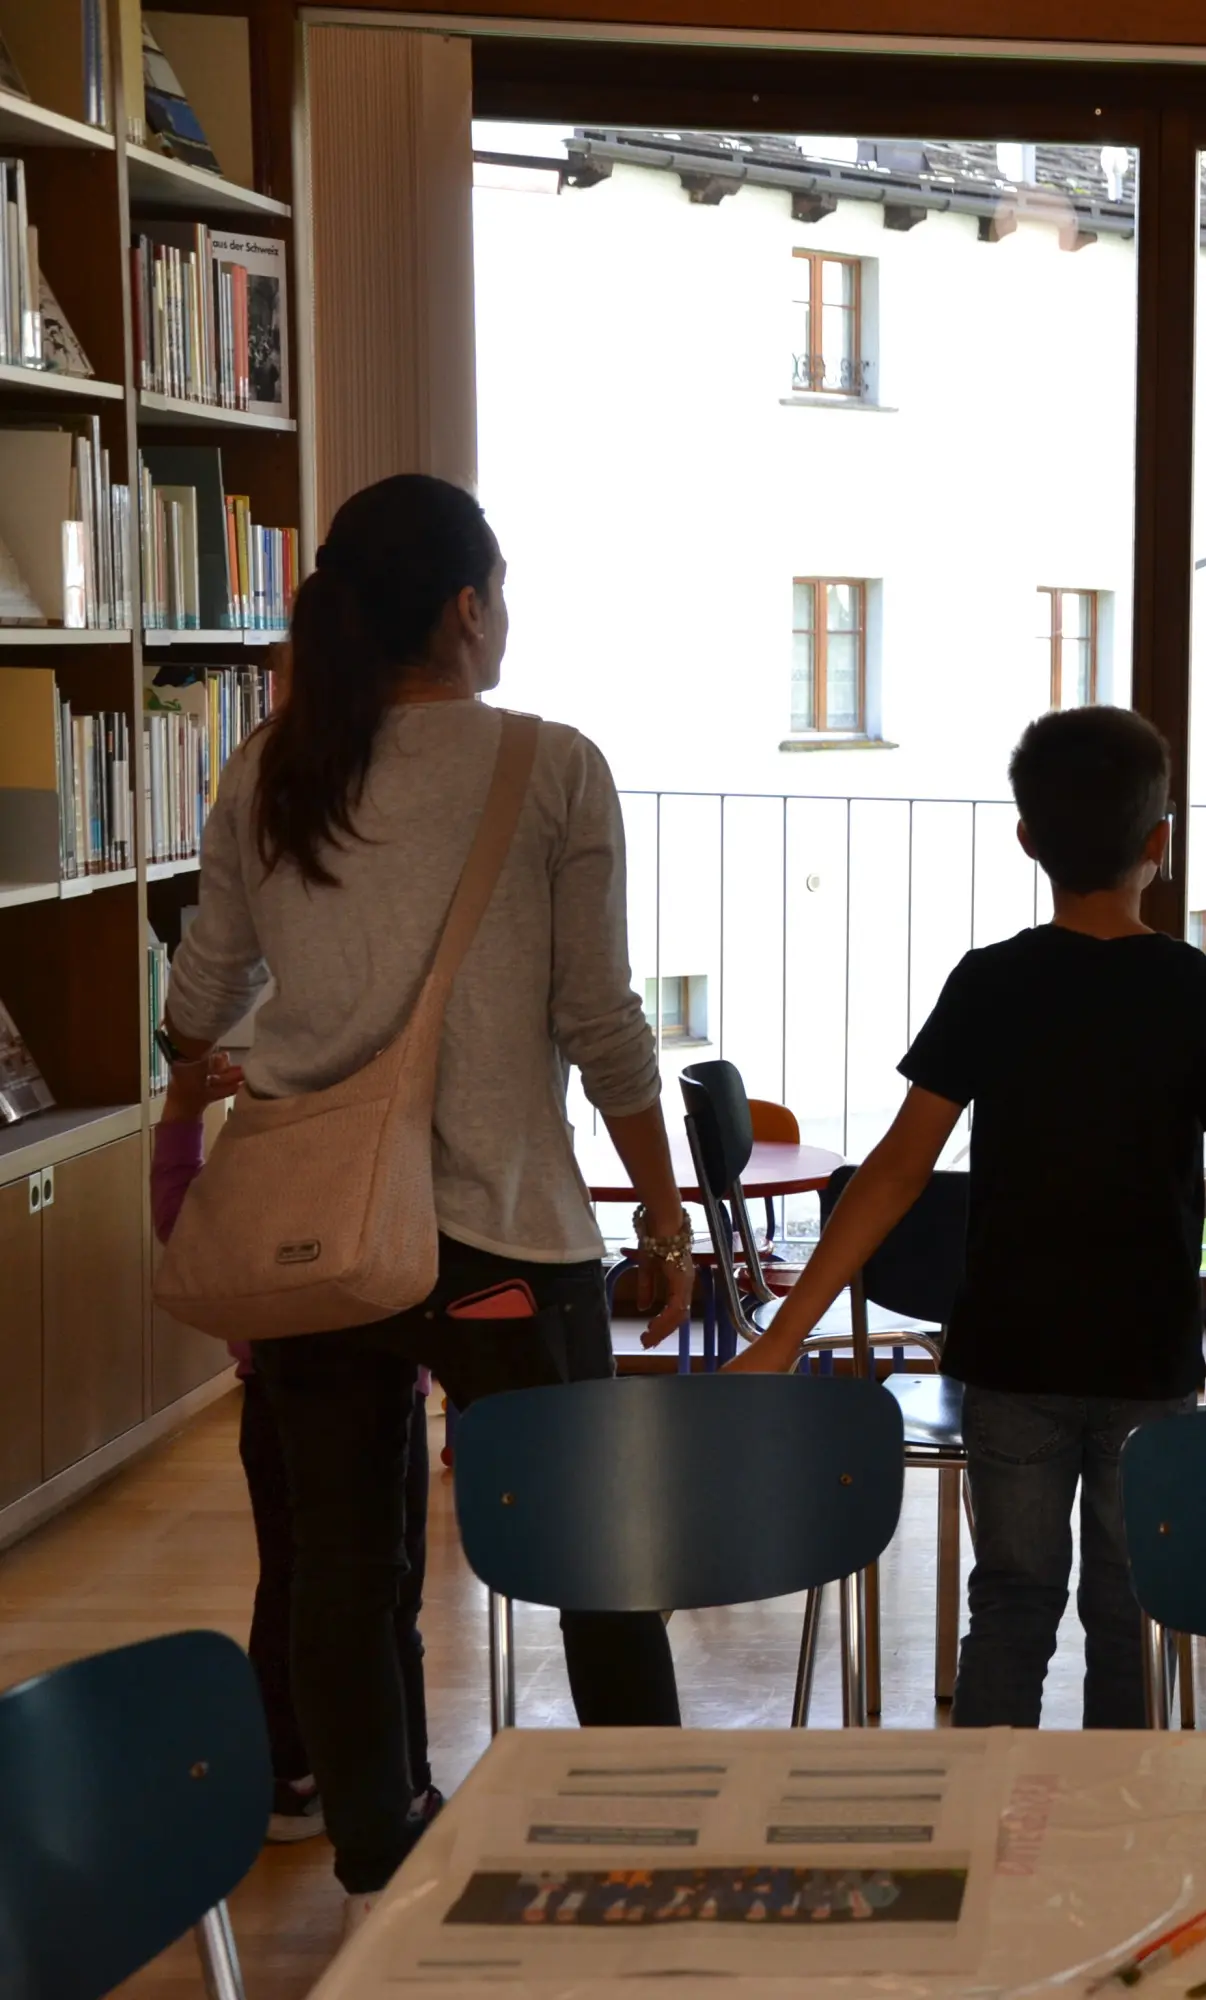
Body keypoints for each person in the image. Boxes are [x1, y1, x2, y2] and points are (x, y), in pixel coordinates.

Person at [166, 474, 693, 1902]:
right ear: (466, 609)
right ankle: (647, 1831)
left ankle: (376, 1852)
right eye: (500, 592)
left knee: (342, 1560)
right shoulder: (550, 767)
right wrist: (660, 1204)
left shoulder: (269, 768)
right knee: (595, 1546)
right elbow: (601, 1023)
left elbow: (201, 999)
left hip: (315, 1235)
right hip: (503, 1232)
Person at [731, 706, 1206, 1728]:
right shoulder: (1200, 990)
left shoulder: (990, 981)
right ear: (1160, 846)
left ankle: (980, 1826)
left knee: (1010, 1598)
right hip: (1145, 1361)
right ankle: (1118, 1834)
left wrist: (787, 1331)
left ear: (1026, 842)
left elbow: (893, 1171)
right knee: (1128, 1606)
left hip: (1010, 1363)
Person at [149, 1050, 435, 1846]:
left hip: (272, 1404)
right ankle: (403, 1786)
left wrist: (179, 1112)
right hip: (378, 1404)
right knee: (386, 1596)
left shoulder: (254, 1174)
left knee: (296, 1584)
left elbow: (178, 1223)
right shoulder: (367, 1166)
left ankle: (291, 1770)